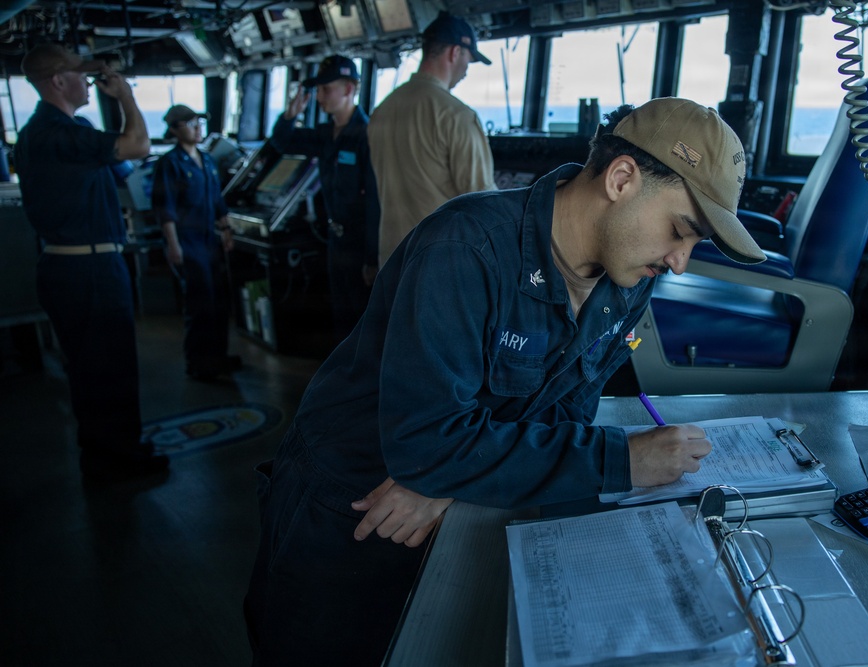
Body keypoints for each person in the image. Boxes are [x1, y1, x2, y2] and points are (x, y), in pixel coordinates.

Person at [244, 96, 766, 665]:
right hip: (350, 502)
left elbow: (565, 413)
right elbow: (424, 443)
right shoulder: (465, 249)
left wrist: (449, 479)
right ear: (621, 179)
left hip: (443, 497)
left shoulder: (629, 279)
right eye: (680, 230)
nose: (680, 262)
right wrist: (622, 460)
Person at [15, 43, 168, 479]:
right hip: (87, 269)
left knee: (93, 367)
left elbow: (120, 163)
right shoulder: (57, 134)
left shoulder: (61, 132)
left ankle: (107, 452)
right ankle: (119, 459)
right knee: (107, 368)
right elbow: (138, 145)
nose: (87, 82)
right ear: (58, 81)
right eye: (80, 75)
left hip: (77, 267)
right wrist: (125, 97)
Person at [368, 11, 497, 267]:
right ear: (455, 53)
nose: (466, 70)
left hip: (391, 261)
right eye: (469, 60)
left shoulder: (382, 110)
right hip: (437, 265)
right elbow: (484, 203)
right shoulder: (457, 116)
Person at [269, 55, 380, 347]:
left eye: (325, 89)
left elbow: (375, 202)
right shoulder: (324, 134)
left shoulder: (367, 135)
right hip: (335, 241)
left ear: (349, 89)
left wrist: (372, 258)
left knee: (360, 318)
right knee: (341, 315)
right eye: (317, 90)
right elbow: (282, 142)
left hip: (358, 244)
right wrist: (290, 115)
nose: (319, 97)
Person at [152, 104, 240, 380]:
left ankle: (218, 356)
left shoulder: (207, 160)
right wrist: (173, 245)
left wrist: (226, 229)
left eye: (199, 123)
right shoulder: (169, 164)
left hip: (209, 240)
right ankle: (198, 362)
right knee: (199, 303)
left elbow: (217, 200)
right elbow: (165, 208)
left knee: (218, 301)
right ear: (175, 129)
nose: (198, 128)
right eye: (191, 124)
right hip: (187, 241)